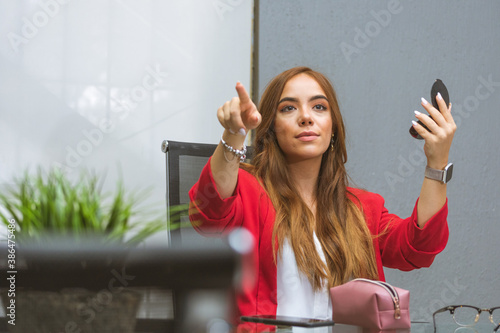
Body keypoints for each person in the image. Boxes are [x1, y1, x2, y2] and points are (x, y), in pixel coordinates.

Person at [189, 67, 456, 323]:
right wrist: (234, 133)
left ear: (333, 128)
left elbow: (418, 249)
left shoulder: (363, 208)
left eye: (319, 107)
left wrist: (437, 162)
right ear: (271, 127)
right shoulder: (247, 189)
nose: (306, 117)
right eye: (288, 108)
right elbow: (209, 214)